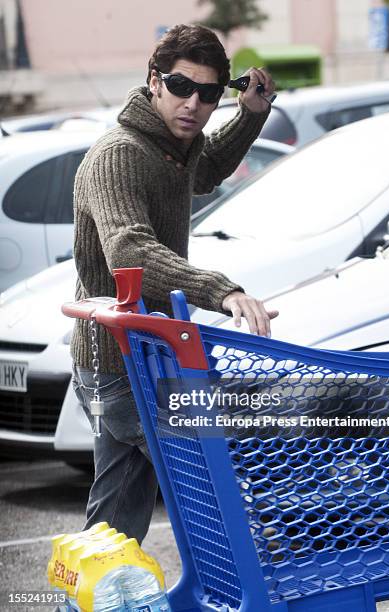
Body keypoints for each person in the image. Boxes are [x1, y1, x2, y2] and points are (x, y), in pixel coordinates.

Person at [71, 23, 278, 544]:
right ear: (153, 80)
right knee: (221, 476)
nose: (194, 103)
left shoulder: (170, 147)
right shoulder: (121, 153)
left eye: (208, 94)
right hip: (119, 366)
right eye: (182, 86)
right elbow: (130, 251)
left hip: (144, 355)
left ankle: (96, 595)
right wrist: (222, 290)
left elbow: (203, 170)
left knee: (115, 521)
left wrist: (249, 115)